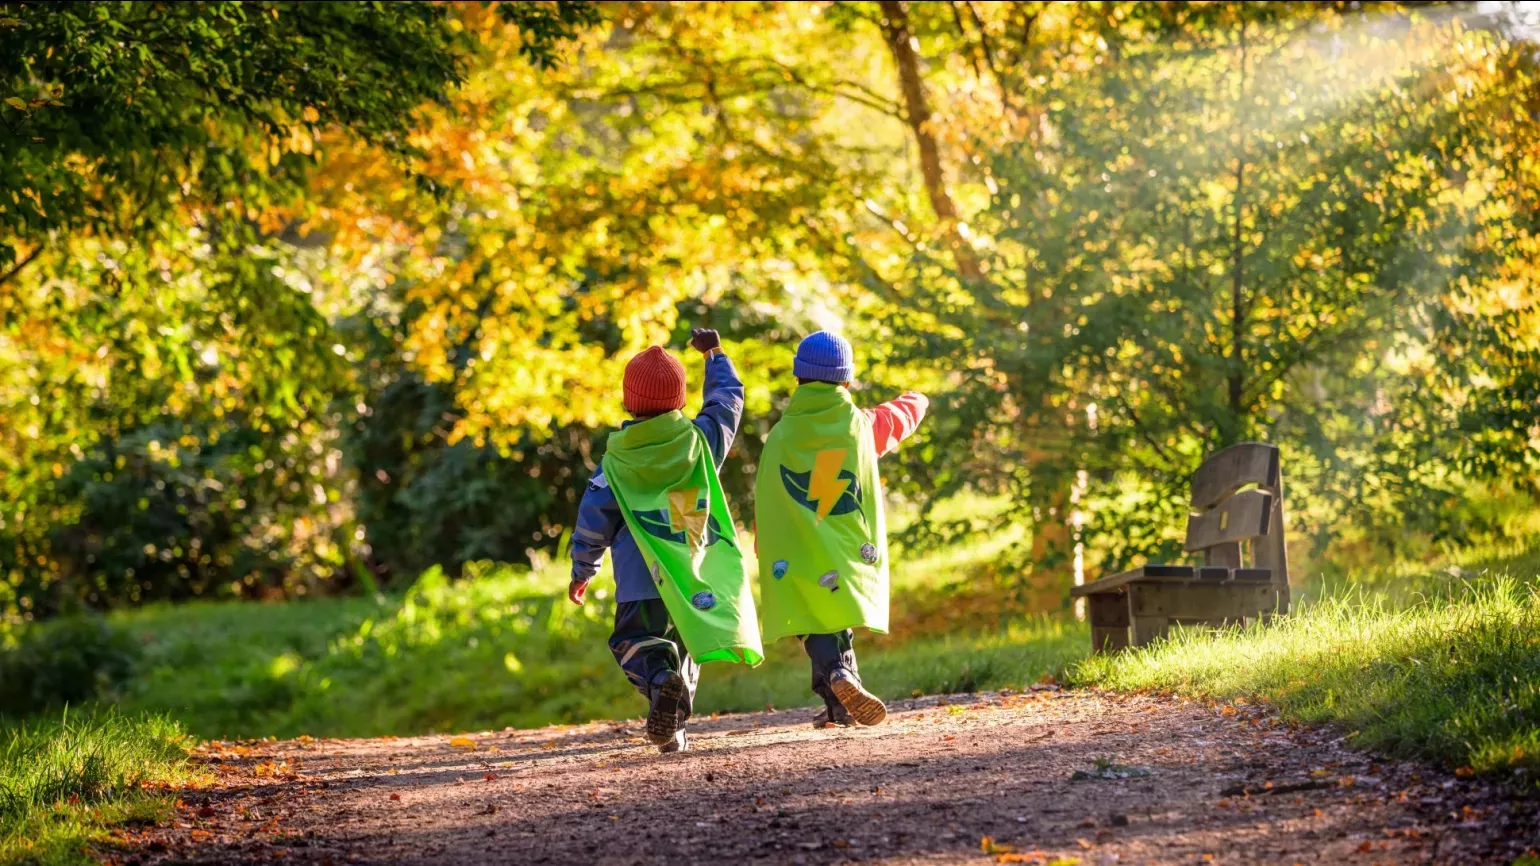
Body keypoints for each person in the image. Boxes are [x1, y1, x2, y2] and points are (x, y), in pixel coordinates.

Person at [568, 329, 761, 754]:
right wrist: (714, 354)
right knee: (685, 642)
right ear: (680, 400)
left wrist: (583, 570)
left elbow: (593, 520)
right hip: (693, 568)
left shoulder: (617, 459)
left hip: (642, 579)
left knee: (635, 644)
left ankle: (660, 686)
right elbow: (727, 402)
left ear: (628, 400)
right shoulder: (700, 442)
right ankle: (674, 723)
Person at [754, 331, 928, 728]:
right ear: (846, 381)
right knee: (832, 615)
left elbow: (770, 492)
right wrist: (918, 398)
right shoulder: (860, 426)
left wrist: (764, 539)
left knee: (812, 617)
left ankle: (840, 683)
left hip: (795, 544)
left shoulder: (781, 434)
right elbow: (898, 418)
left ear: (797, 378)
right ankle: (841, 696)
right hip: (845, 543)